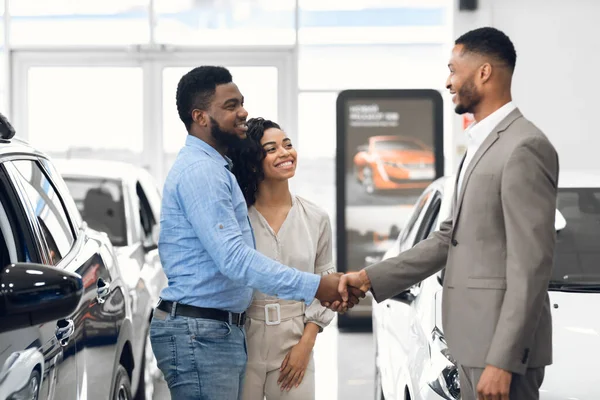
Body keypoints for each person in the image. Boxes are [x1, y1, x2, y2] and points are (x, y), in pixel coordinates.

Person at [334, 27, 559, 400]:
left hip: (498, 356)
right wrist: (368, 278)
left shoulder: (524, 147)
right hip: (469, 347)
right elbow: (447, 238)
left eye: (454, 70)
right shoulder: (481, 145)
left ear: (483, 72)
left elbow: (530, 265)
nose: (448, 82)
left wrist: (502, 361)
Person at [150, 66, 362, 400]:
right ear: (200, 117)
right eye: (231, 105)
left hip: (215, 330)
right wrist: (317, 286)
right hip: (201, 332)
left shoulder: (216, 170)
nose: (243, 112)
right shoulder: (202, 172)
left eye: (241, 103)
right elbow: (234, 259)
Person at [228, 117, 335, 400]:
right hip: (242, 340)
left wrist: (305, 346)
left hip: (295, 341)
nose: (286, 153)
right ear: (253, 162)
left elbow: (326, 285)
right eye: (272, 149)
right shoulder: (238, 220)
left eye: (287, 145)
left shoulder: (317, 218)